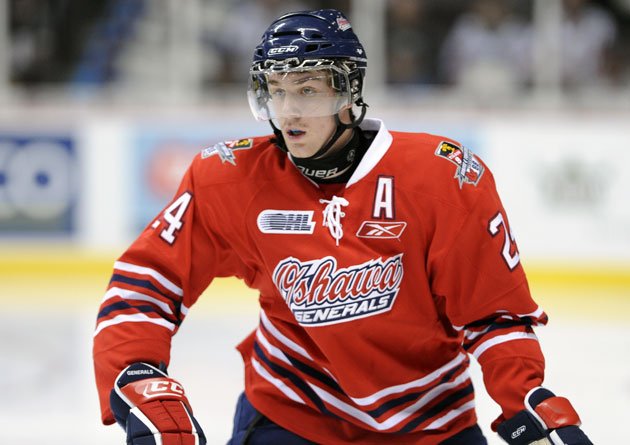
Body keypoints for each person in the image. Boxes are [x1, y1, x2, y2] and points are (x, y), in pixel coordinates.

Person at [92, 9, 593, 445]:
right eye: (276, 91)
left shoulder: (442, 180)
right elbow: (148, 282)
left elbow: (494, 316)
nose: (289, 111)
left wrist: (524, 397)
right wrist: (136, 372)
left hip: (431, 425)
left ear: (349, 91)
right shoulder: (230, 178)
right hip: (289, 413)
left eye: (307, 90)